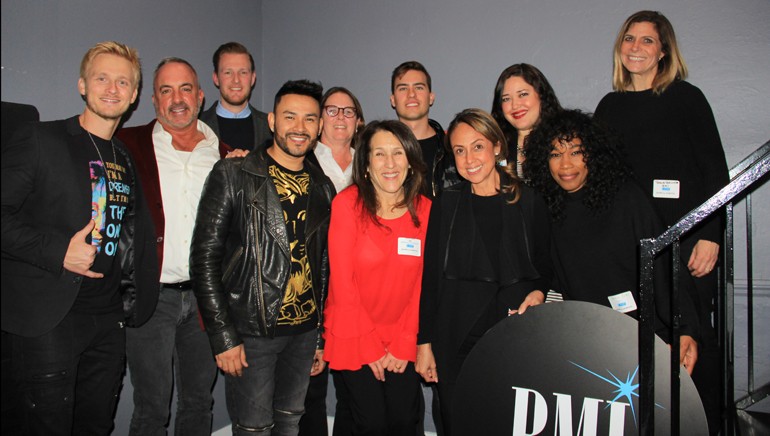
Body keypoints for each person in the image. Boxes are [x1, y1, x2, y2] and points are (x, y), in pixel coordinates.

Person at [1, 41, 159, 435]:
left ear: (134, 94)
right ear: (82, 86)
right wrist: (58, 252)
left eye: (123, 81)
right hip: (49, 319)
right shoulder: (41, 140)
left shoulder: (123, 156)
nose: (112, 88)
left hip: (106, 321)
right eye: (102, 78)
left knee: (96, 425)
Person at [593, 11, 729, 434]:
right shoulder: (610, 106)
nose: (635, 47)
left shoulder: (687, 98)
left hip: (687, 244)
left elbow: (715, 173)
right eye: (629, 39)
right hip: (632, 248)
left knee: (691, 343)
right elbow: (598, 178)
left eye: (647, 41)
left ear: (664, 49)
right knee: (635, 344)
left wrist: (711, 235)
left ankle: (702, 424)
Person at [191, 79, 335, 436]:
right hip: (252, 333)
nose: (299, 128)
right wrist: (223, 335)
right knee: (254, 429)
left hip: (303, 335)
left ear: (319, 126)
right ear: (272, 121)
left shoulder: (323, 187)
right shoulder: (235, 173)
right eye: (290, 117)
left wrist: (319, 337)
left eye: (309, 119)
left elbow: (321, 266)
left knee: (289, 422)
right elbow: (204, 258)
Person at [524, 109, 700, 372]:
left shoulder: (627, 199)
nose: (565, 165)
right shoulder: (548, 207)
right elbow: (545, 268)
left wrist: (683, 328)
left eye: (575, 152)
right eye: (555, 154)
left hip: (644, 338)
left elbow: (664, 265)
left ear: (593, 154)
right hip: (587, 341)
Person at [417, 108, 551, 435]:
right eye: (459, 150)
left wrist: (539, 291)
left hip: (513, 339)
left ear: (496, 146)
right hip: (455, 340)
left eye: (477, 146)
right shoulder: (445, 204)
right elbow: (431, 279)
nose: (469, 158)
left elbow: (546, 266)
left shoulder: (529, 200)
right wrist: (424, 344)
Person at [116, 57, 231, 436]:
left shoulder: (225, 155)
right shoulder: (127, 145)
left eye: (185, 89)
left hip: (205, 300)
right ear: (152, 100)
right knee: (151, 408)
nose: (177, 98)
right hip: (152, 298)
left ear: (200, 96)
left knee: (199, 401)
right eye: (166, 90)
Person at [323, 120, 431, 436]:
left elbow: (424, 284)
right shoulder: (347, 205)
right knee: (369, 423)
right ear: (366, 164)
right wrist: (370, 346)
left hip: (403, 336)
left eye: (398, 153)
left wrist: (402, 342)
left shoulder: (426, 211)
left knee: (402, 421)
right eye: (379, 153)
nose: (389, 163)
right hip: (353, 333)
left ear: (410, 161)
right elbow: (343, 284)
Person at [300, 86, 365, 436]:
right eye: (332, 109)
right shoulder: (302, 161)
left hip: (359, 289)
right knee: (310, 386)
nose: (340, 117)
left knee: (354, 387)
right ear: (320, 118)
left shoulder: (371, 164)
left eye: (348, 111)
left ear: (358, 122)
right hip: (311, 285)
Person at [390, 61, 460, 197]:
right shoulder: (378, 151)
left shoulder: (452, 147)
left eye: (419, 87)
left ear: (431, 97)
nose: (411, 94)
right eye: (403, 88)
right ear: (393, 100)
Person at [490, 63, 563, 179]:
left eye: (523, 94)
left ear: (542, 96)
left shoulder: (565, 140)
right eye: (506, 99)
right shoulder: (497, 146)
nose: (515, 105)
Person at [200, 42, 272, 151]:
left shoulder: (271, 127)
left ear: (253, 78)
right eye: (228, 73)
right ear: (216, 78)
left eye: (243, 72)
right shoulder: (198, 125)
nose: (236, 80)